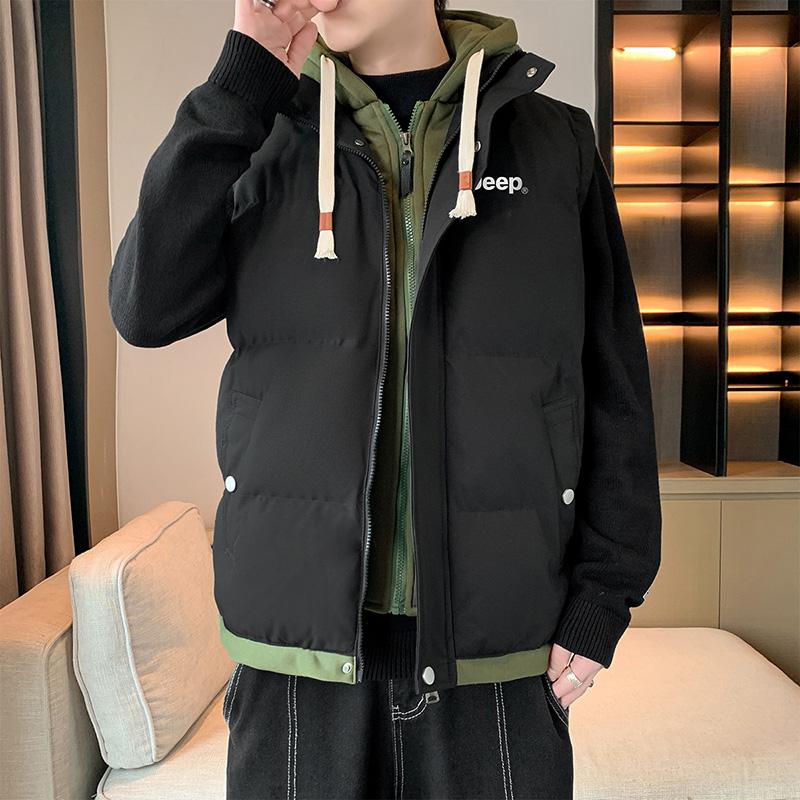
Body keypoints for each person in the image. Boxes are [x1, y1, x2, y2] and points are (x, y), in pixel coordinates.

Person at [107, 0, 662, 797]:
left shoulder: (555, 142)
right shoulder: (258, 132)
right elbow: (143, 309)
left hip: (497, 662)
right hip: (296, 667)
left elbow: (615, 386)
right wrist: (240, 82)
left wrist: (605, 596)